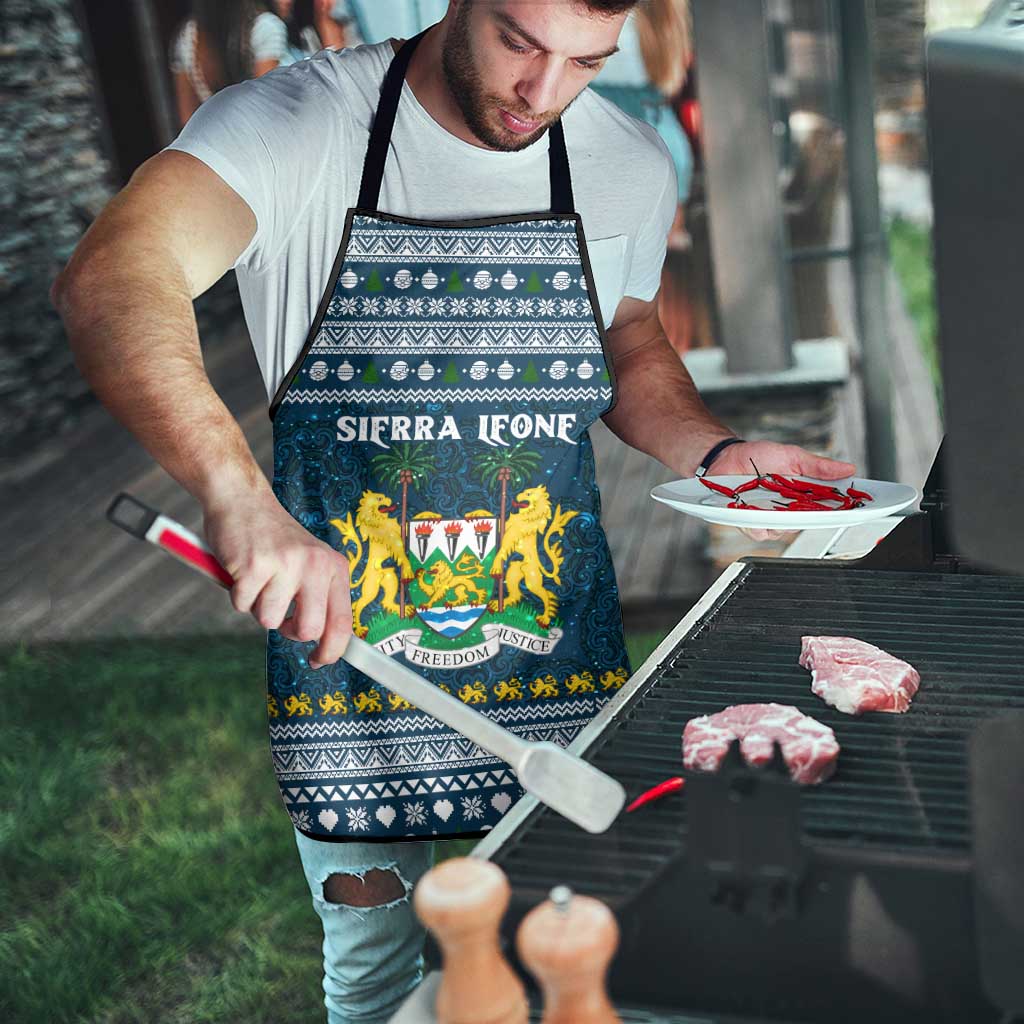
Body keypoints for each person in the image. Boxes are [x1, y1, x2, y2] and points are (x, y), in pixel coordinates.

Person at [52, 2, 856, 1020]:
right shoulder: (297, 124)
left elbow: (629, 339)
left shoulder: (624, 160)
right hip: (354, 665)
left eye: (585, 62)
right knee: (380, 976)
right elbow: (113, 275)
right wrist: (235, 496)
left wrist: (718, 449)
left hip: (555, 648)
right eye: (521, 43)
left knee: (579, 953)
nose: (543, 94)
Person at [169, 0, 289, 127]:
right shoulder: (266, 27)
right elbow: (266, 107)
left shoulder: (188, 37)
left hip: (215, 140)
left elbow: (187, 120)